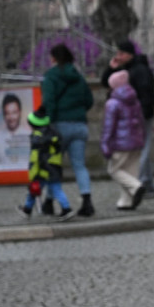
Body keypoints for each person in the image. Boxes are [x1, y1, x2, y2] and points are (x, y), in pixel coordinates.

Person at [42, 44, 95, 216]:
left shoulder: (51, 76)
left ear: (54, 58)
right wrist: (78, 113)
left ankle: (49, 202)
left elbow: (48, 102)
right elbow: (89, 100)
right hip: (79, 126)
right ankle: (87, 201)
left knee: (53, 166)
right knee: (80, 165)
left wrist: (48, 123)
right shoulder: (79, 76)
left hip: (59, 127)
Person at [101, 39, 154, 196]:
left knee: (141, 150)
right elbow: (106, 83)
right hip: (130, 116)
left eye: (121, 53)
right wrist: (111, 68)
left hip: (138, 116)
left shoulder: (140, 70)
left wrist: (143, 115)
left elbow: (146, 93)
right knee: (140, 148)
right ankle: (148, 185)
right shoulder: (124, 69)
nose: (118, 56)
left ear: (129, 54)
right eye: (117, 53)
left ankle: (138, 185)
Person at [100, 70, 147, 211]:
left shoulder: (112, 103)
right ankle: (126, 202)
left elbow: (108, 127)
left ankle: (136, 187)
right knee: (130, 171)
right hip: (136, 141)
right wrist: (142, 137)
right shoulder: (135, 99)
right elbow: (141, 121)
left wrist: (105, 145)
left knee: (114, 170)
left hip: (121, 144)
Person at [16, 106, 73, 221]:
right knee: (56, 189)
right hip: (54, 167)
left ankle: (28, 210)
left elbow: (35, 157)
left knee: (34, 189)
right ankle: (65, 209)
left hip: (41, 169)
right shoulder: (53, 133)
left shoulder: (37, 138)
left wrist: (33, 173)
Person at [0, 93, 31, 170]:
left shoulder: (30, 136)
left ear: (20, 113)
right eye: (7, 113)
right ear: (4, 115)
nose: (11, 117)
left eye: (14, 112)